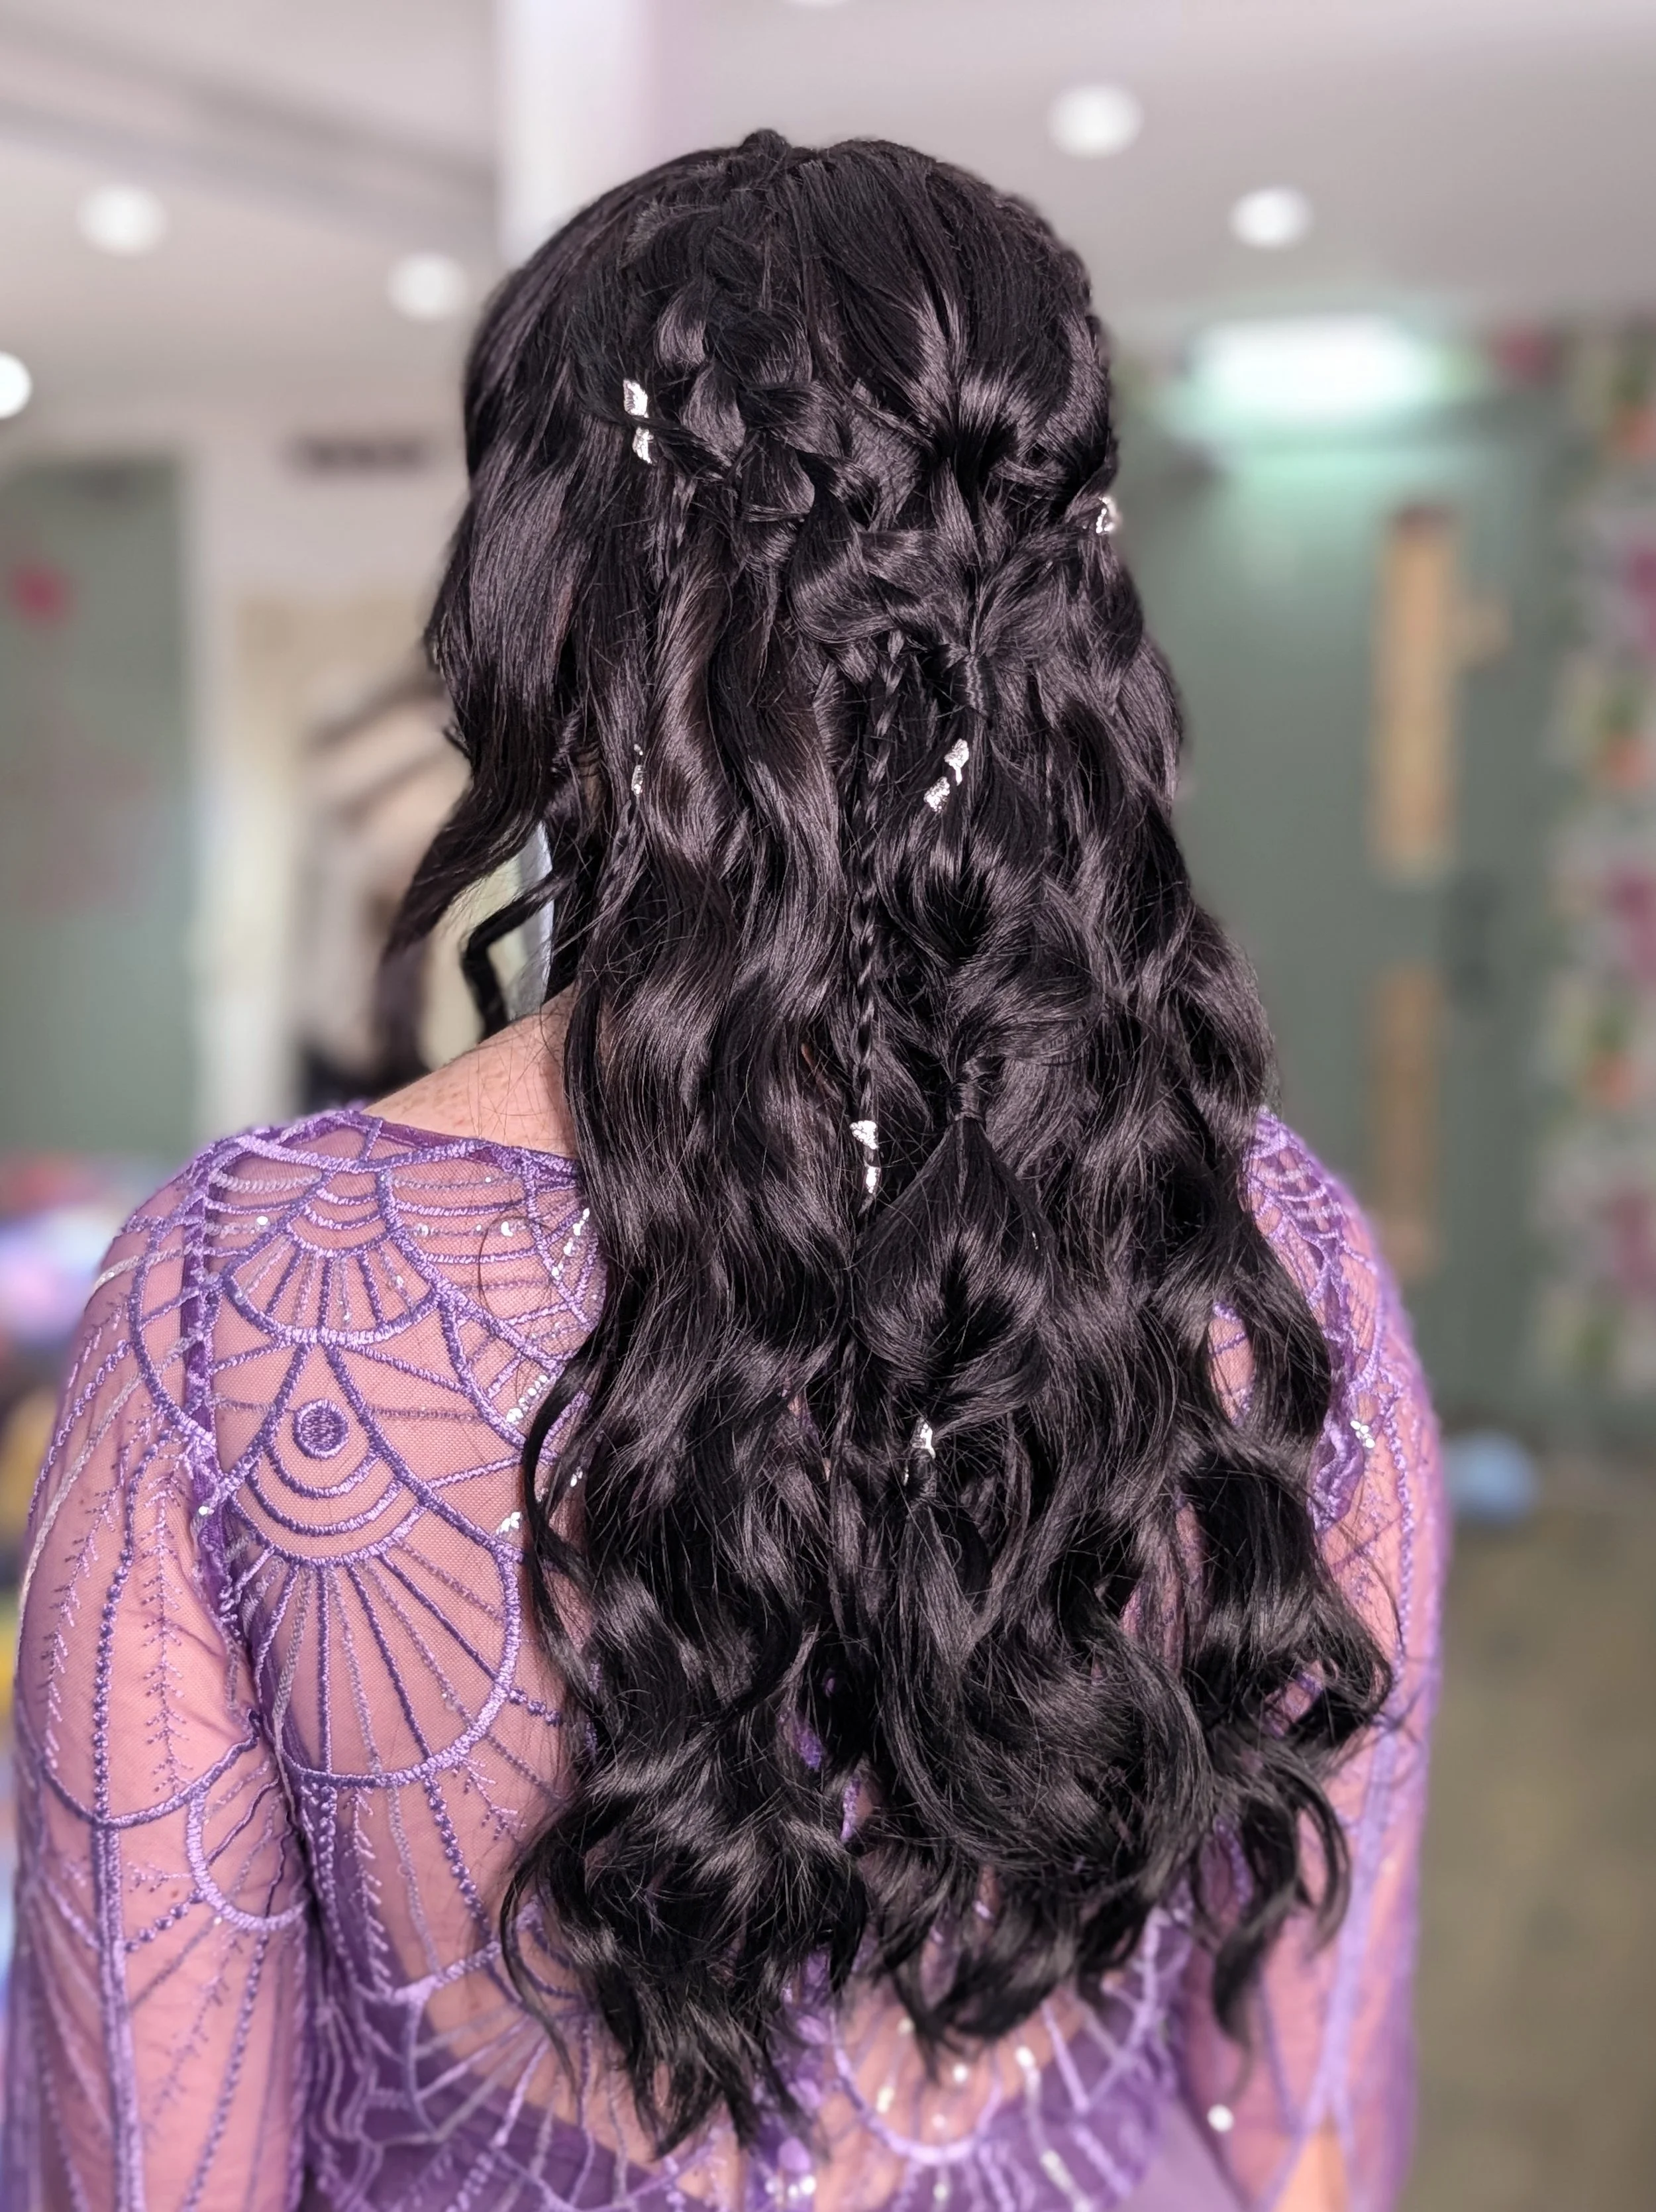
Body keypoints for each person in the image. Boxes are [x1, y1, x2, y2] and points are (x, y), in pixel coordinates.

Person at [1, 133, 1445, 2212]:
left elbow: (144, 2158)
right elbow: (1303, 2142)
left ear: (541, 611)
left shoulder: (235, 1303)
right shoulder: (1268, 1261)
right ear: (1063, 617)